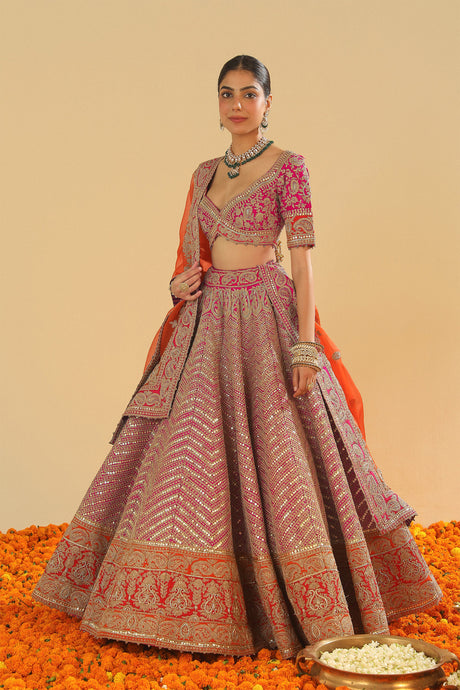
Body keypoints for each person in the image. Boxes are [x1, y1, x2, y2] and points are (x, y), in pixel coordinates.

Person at [33, 55, 441, 658]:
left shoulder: (289, 168)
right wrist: (179, 284)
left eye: (250, 94)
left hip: (266, 315)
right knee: (185, 451)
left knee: (282, 455)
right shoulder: (203, 173)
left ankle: (301, 598)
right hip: (208, 319)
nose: (237, 105)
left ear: (269, 102)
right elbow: (193, 253)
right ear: (217, 103)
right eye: (227, 94)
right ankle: (166, 602)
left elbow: (301, 260)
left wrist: (305, 344)